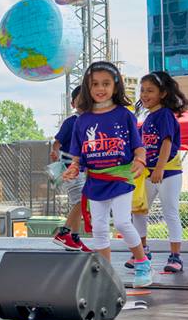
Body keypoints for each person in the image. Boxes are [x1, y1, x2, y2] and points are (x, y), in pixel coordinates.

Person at [62, 61, 152, 288]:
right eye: (95, 84)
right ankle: (106, 272)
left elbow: (139, 147)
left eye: (106, 83)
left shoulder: (124, 115)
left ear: (115, 86)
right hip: (95, 181)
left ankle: (142, 262)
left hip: (121, 178)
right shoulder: (82, 120)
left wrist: (140, 160)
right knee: (99, 227)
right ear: (87, 87)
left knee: (122, 222)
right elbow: (77, 156)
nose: (100, 88)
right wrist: (73, 168)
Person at [129, 71, 188, 273]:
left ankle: (176, 257)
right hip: (149, 173)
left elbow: (167, 142)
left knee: (170, 211)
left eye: (150, 91)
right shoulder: (148, 118)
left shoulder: (164, 115)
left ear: (163, 93)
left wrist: (159, 168)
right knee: (139, 210)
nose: (144, 95)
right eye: (142, 90)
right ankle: (142, 251)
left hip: (168, 172)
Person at [51, 85, 90, 252]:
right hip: (70, 168)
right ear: (73, 103)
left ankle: (74, 238)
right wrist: (54, 152)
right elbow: (57, 142)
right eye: (80, 99)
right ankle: (64, 233)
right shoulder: (71, 122)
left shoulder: (90, 122)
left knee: (79, 202)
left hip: (82, 169)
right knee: (80, 201)